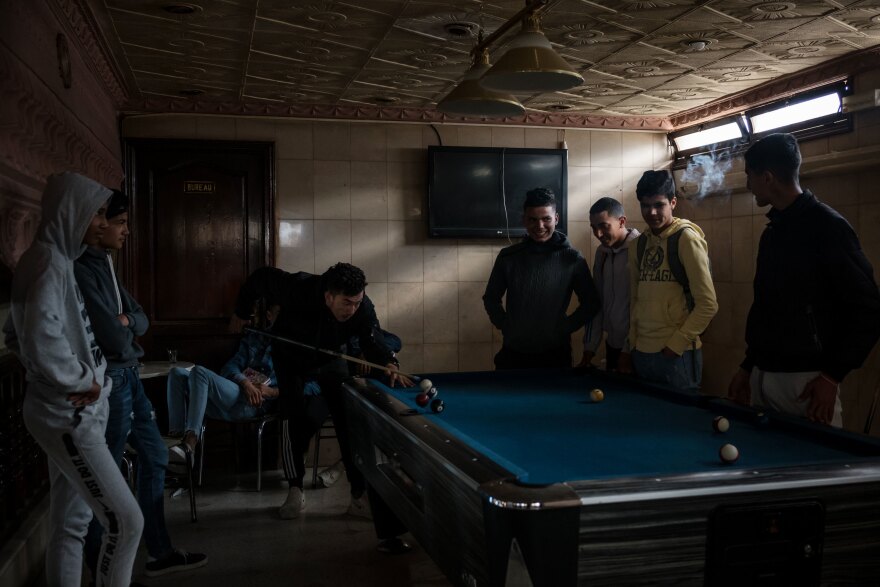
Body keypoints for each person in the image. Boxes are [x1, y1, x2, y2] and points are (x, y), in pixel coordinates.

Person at [3, 173, 143, 587]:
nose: (102, 222)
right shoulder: (46, 261)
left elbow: (16, 335)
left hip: (69, 409)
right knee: (126, 521)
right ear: (71, 211)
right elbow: (40, 339)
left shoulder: (53, 259)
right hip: (71, 414)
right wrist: (82, 380)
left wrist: (61, 378)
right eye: (97, 213)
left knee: (71, 522)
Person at [230, 263, 413, 552]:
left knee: (346, 419)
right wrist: (242, 311)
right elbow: (260, 277)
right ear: (329, 296)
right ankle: (295, 490)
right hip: (290, 359)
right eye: (346, 303)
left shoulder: (363, 306)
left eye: (357, 302)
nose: (352, 309)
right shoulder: (297, 287)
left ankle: (357, 495)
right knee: (293, 416)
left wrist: (390, 361)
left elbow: (372, 338)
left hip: (330, 358)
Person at [74, 190, 207, 579]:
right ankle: (101, 558)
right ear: (96, 226)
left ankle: (159, 552)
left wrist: (128, 322)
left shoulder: (107, 265)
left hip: (129, 375)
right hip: (113, 377)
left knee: (157, 456)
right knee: (109, 472)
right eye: (120, 222)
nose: (125, 230)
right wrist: (126, 328)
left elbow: (141, 318)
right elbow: (112, 338)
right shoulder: (82, 268)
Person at [728, 133, 880, 426]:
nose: (747, 185)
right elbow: (765, 307)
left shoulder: (829, 228)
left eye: (749, 176)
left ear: (767, 177)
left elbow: (869, 309)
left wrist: (831, 375)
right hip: (763, 374)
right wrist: (748, 367)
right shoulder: (772, 233)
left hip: (807, 383)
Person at [483, 187, 599, 370]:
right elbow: (491, 298)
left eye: (546, 219)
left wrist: (564, 328)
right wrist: (506, 326)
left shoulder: (573, 258)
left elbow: (591, 302)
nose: (540, 226)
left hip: (556, 355)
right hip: (513, 354)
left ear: (556, 219)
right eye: (533, 220)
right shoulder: (508, 257)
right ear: (524, 220)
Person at [622, 170, 718, 392]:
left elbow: (708, 304)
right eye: (645, 206)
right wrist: (630, 347)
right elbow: (635, 300)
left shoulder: (686, 239)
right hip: (641, 353)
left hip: (678, 355)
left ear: (673, 202)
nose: (652, 212)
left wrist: (676, 344)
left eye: (659, 205)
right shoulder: (638, 245)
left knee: (680, 423)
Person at [166, 304, 281, 458]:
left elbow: (310, 385)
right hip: (238, 390)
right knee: (176, 373)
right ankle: (178, 443)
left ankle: (190, 442)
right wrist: (245, 383)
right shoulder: (255, 338)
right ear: (269, 315)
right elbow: (230, 367)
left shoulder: (295, 344)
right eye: (280, 314)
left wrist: (272, 391)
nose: (285, 319)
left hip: (257, 402)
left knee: (199, 372)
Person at [578, 197, 640, 371]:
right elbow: (597, 302)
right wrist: (589, 348)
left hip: (638, 348)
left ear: (621, 222)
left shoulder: (641, 249)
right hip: (612, 345)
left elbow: (643, 307)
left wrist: (628, 350)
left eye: (604, 226)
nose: (598, 234)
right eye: (593, 228)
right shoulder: (602, 253)